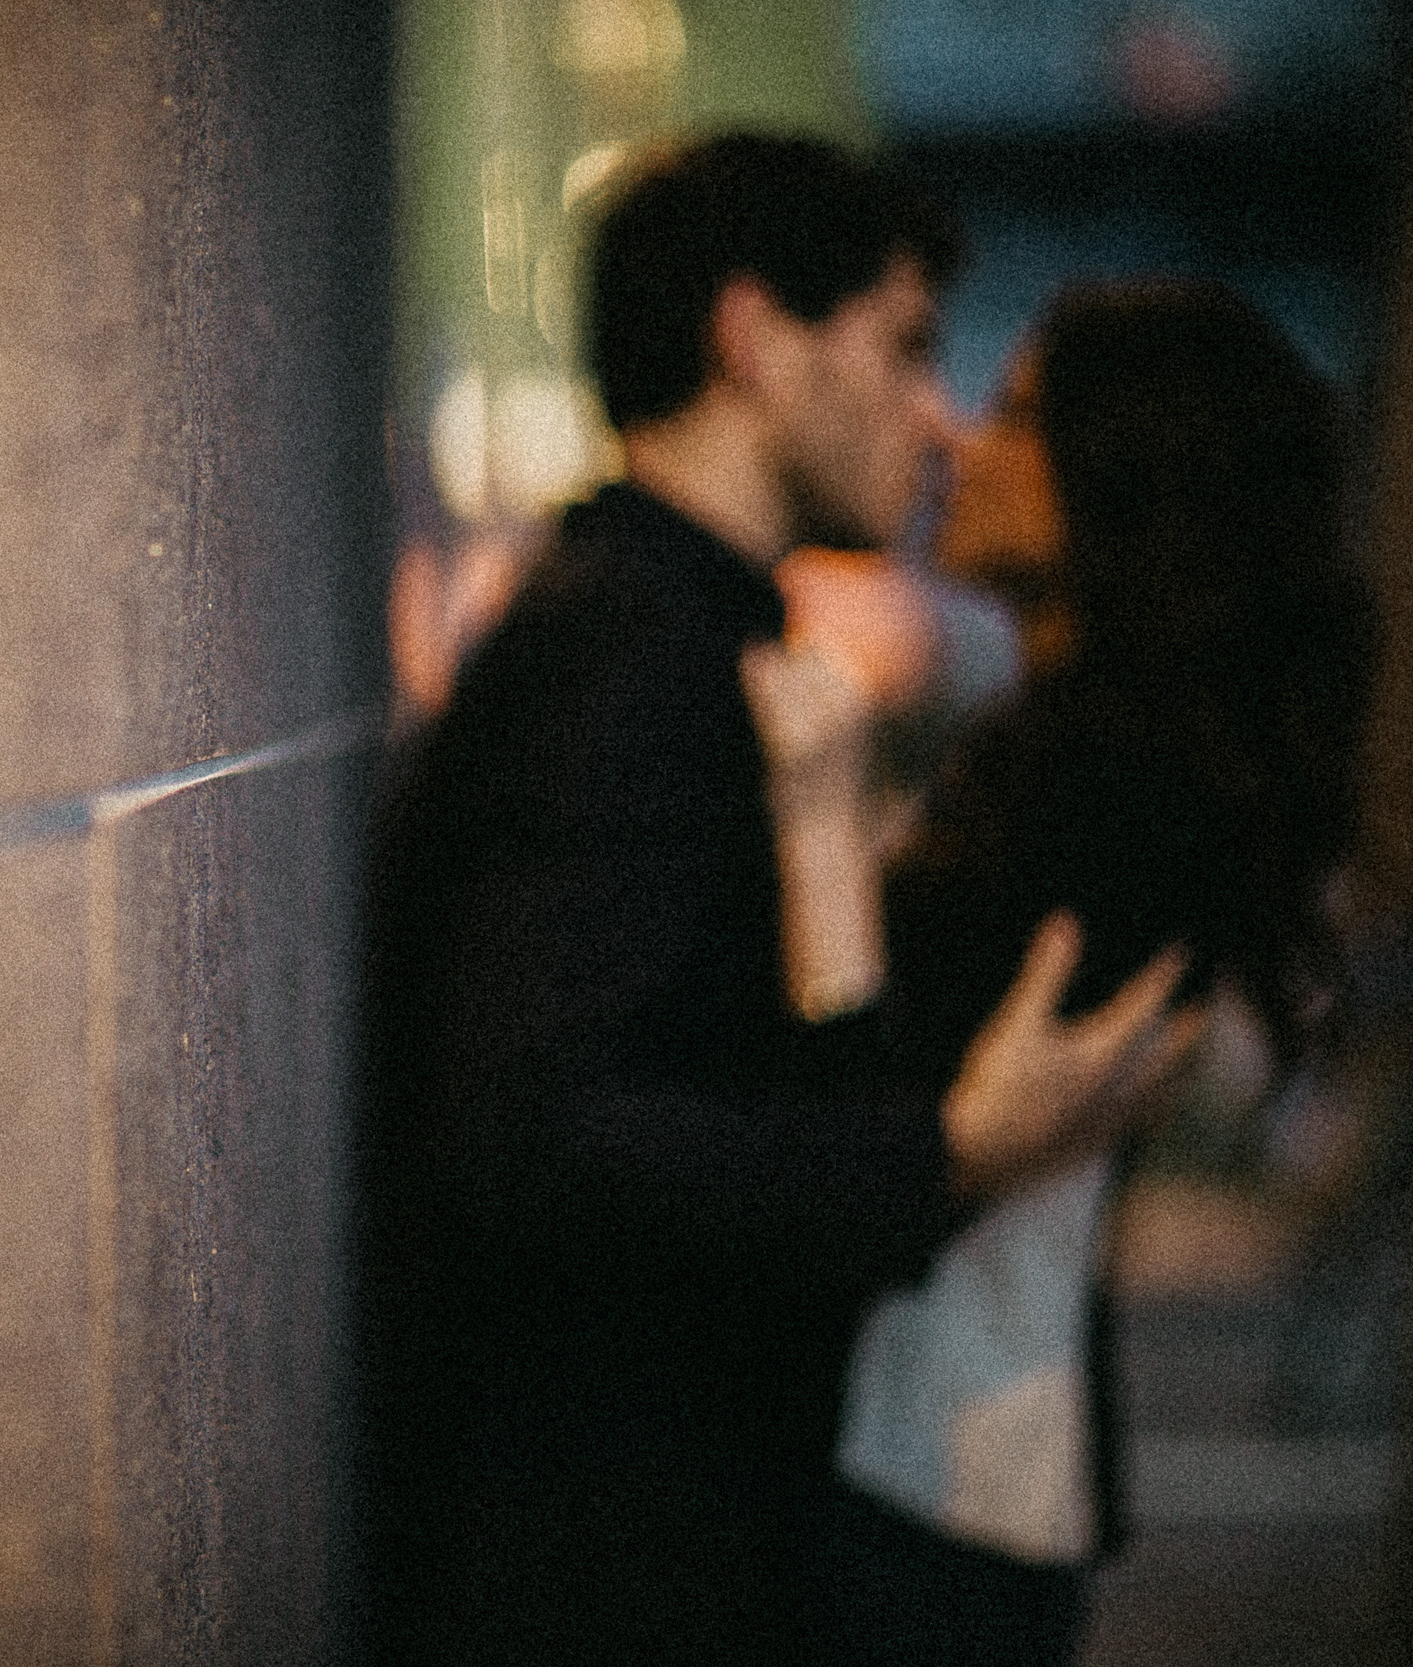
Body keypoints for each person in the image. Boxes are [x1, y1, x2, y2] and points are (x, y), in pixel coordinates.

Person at [353, 134, 1193, 1665]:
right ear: (754, 339)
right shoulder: (635, 659)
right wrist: (942, 1151)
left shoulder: (677, 629)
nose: (935, 419)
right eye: (905, 346)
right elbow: (538, 1131)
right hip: (597, 1561)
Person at [822, 280, 1378, 1665]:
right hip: (986, 1441)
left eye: (1015, 415)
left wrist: (810, 812)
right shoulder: (1124, 760)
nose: (957, 439)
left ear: (1123, 482)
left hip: (922, 1457)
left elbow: (854, 1097)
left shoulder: (1098, 785)